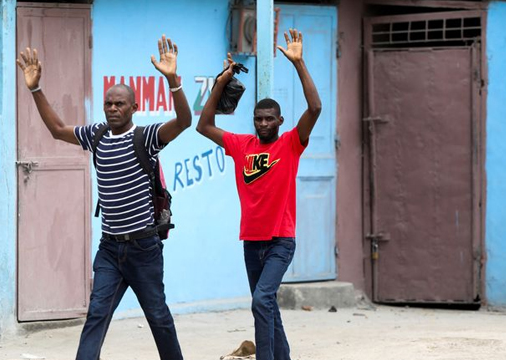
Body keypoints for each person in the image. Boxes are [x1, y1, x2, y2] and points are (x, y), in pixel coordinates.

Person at [17, 35, 191, 360]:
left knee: (158, 318)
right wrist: (35, 88)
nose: (112, 108)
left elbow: (184, 121)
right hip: (110, 248)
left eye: (119, 103)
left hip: (143, 248)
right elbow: (56, 129)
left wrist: (172, 81)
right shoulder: (95, 135)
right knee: (96, 315)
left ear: (134, 108)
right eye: (108, 103)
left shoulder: (147, 137)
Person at [196, 29, 321, 360]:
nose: (263, 124)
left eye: (269, 119)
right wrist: (221, 82)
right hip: (251, 240)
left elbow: (315, 107)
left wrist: (299, 63)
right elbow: (204, 126)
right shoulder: (242, 146)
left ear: (280, 120)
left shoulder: (290, 144)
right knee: (266, 304)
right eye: (258, 119)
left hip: (280, 240)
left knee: (261, 300)